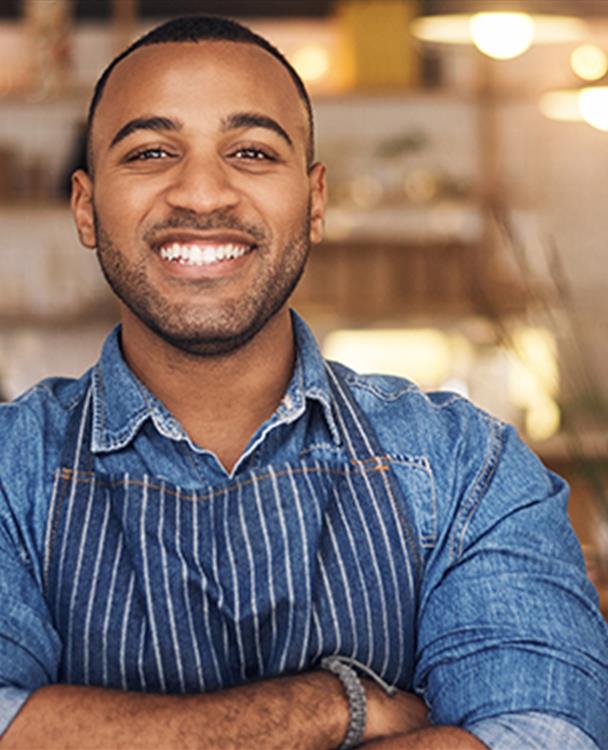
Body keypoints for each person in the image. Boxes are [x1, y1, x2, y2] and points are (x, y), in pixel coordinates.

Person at [0, 14, 606, 750]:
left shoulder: (468, 471)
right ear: (86, 208)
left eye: (251, 151)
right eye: (152, 152)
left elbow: (544, 734)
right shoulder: (10, 473)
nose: (201, 193)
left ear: (315, 202)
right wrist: (330, 708)